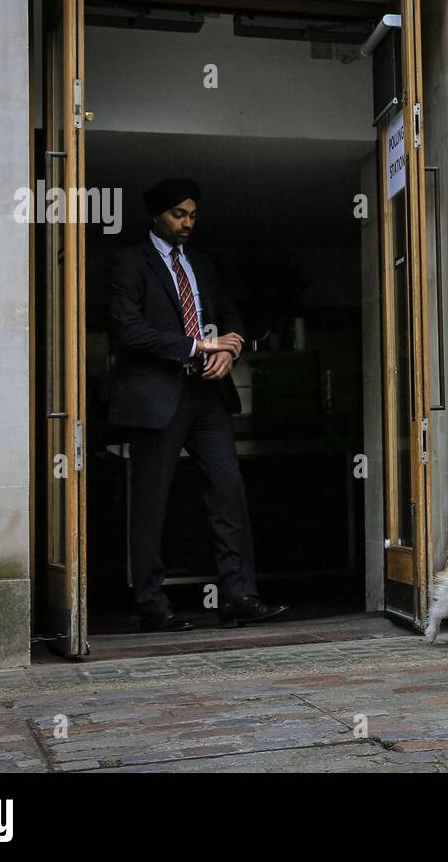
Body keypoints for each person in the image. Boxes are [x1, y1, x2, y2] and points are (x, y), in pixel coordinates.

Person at [107, 178, 289, 632]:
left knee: (229, 491)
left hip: (207, 397)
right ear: (156, 216)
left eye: (192, 215)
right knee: (153, 501)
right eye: (178, 215)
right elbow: (128, 330)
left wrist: (229, 349)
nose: (187, 223)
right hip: (157, 398)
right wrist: (199, 346)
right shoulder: (129, 263)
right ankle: (152, 604)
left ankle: (238, 597)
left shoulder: (202, 264)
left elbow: (232, 316)